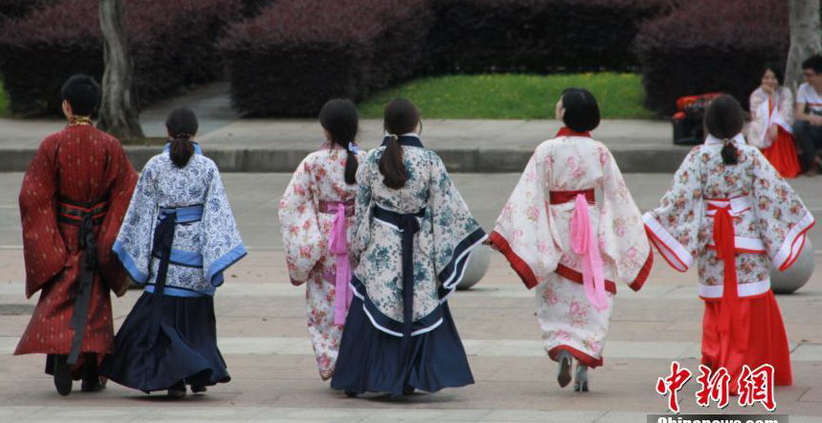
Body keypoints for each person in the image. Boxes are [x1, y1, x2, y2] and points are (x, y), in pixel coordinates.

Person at [644, 95, 814, 392]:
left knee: (718, 303)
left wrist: (653, 220)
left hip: (712, 241)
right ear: (740, 121)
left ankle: (718, 366)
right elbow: (774, 196)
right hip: (747, 239)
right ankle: (749, 368)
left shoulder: (697, 156)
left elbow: (679, 200)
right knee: (749, 303)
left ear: (707, 123)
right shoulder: (751, 155)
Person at [490, 88, 653, 393]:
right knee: (592, 291)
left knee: (556, 291)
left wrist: (509, 233)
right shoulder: (600, 151)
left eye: (560, 103)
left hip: (556, 228)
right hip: (589, 227)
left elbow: (528, 193)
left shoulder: (548, 149)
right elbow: (618, 196)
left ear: (564, 113)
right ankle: (585, 360)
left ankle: (563, 347)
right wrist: (624, 235)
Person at [330, 99, 486, 397]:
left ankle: (367, 376)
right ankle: (413, 376)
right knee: (420, 306)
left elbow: (361, 212)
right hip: (419, 247)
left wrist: (358, 249)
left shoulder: (371, 159)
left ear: (386, 125)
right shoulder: (430, 161)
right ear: (418, 123)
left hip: (380, 246)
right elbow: (447, 211)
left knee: (374, 304)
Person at [103, 107, 247, 398]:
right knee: (197, 313)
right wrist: (213, 256)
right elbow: (217, 214)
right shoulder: (207, 167)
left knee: (164, 313)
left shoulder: (155, 165)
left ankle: (173, 376)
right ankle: (198, 373)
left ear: (167, 131)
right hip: (196, 254)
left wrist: (135, 251)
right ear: (195, 132)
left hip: (165, 255)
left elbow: (140, 213)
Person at [14, 74, 138, 396]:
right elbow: (127, 192)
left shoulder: (51, 145)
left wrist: (50, 241)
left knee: (59, 303)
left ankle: (60, 361)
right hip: (97, 237)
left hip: (63, 238)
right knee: (95, 304)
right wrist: (108, 236)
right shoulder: (110, 146)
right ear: (95, 107)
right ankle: (92, 372)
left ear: (66, 107)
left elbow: (33, 197)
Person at [278, 99, 366, 381]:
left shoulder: (312, 162)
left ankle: (333, 361)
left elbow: (290, 206)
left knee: (324, 301)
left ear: (325, 129)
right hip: (358, 234)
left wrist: (309, 242)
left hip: (324, 237)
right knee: (361, 297)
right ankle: (361, 360)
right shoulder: (366, 161)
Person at [745, 63, 800, 178]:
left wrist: (775, 123)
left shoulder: (785, 92)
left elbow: (786, 111)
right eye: (766, 78)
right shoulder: (756, 94)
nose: (770, 81)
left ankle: (781, 166)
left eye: (773, 78)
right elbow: (758, 115)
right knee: (764, 131)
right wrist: (772, 96)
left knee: (780, 130)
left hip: (779, 127)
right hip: (761, 126)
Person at [794, 54, 822, 176]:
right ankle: (814, 162)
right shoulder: (804, 88)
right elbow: (799, 114)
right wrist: (812, 117)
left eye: (810, 75)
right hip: (813, 127)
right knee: (799, 126)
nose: (807, 79)